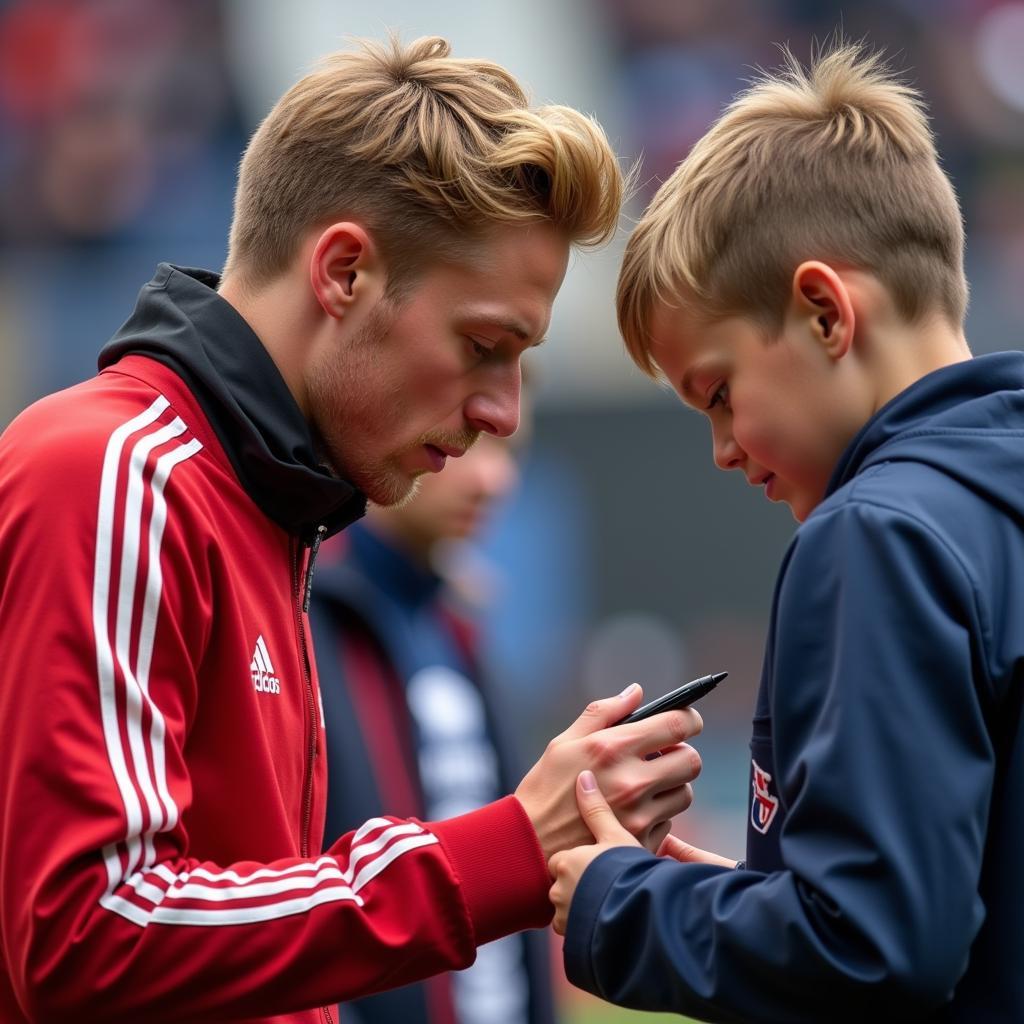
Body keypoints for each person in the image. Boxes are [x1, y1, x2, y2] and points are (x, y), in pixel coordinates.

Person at [0, 36, 704, 1024]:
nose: (504, 411)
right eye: (483, 346)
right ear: (341, 272)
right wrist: (504, 846)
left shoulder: (276, 507)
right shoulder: (117, 471)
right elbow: (88, 934)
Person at [548, 42, 1024, 1022]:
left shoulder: (875, 535)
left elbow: (874, 950)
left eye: (719, 393)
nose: (722, 449)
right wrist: (757, 896)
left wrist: (622, 902)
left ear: (821, 310)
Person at [310, 381, 556, 1024]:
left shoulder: (460, 623)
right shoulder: (303, 612)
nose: (495, 481)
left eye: (511, 453)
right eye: (468, 445)